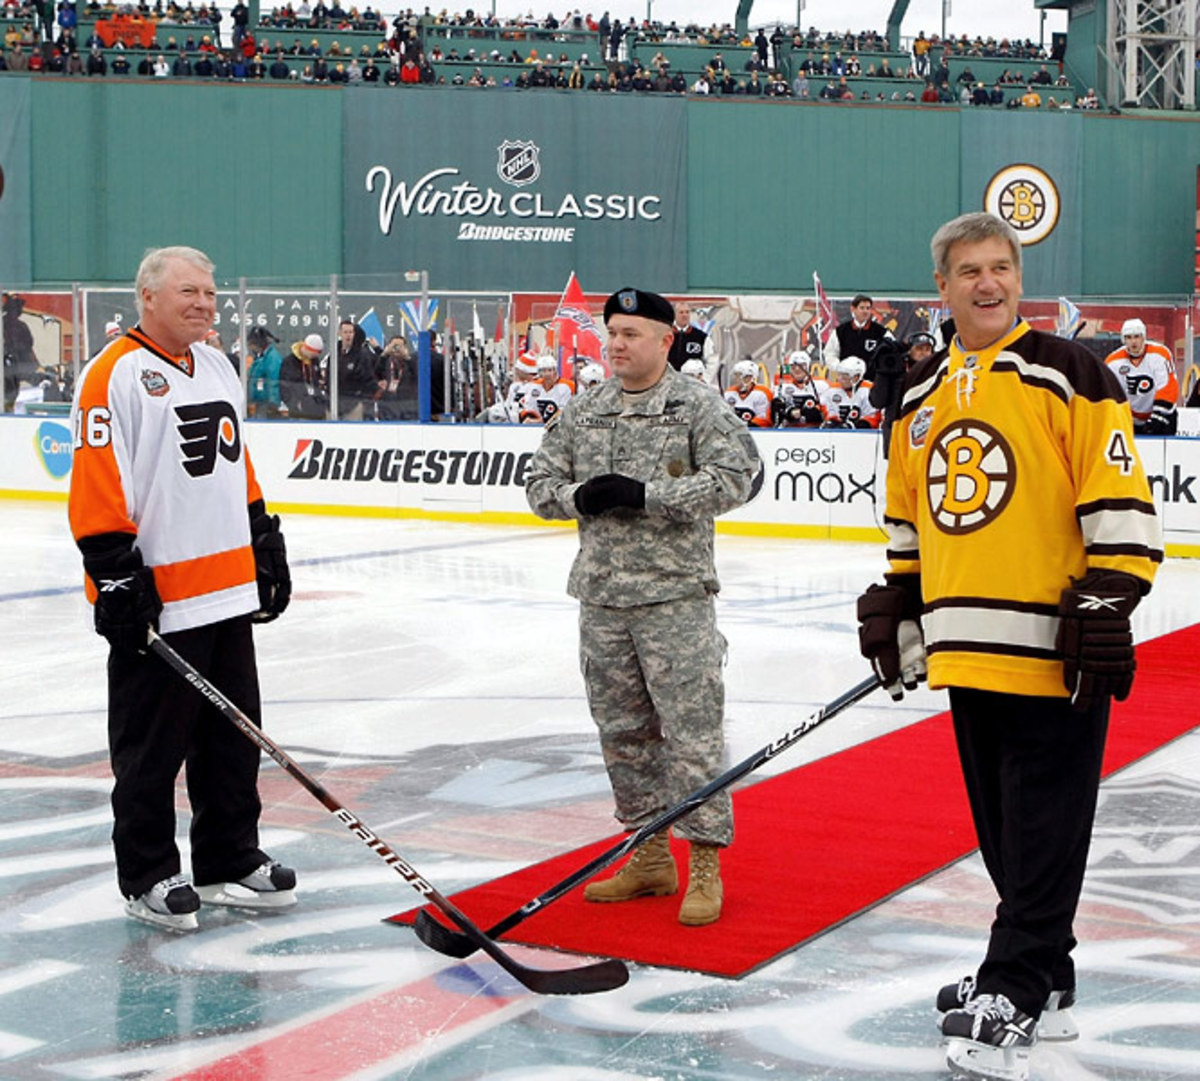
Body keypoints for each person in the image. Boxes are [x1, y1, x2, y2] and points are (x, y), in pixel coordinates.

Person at [856, 213, 1162, 1081]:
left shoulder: (1071, 373)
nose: (987, 283)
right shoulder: (916, 395)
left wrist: (1108, 596)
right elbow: (909, 518)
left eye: (1001, 268)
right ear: (942, 290)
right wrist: (901, 601)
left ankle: (1017, 983)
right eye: (969, 271)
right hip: (963, 648)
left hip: (1053, 647)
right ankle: (1048, 981)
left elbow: (1122, 506)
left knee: (1045, 826)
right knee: (1005, 831)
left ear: (1018, 280)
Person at [67, 246, 296, 933]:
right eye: (188, 292)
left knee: (233, 740)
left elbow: (236, 464)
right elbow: (98, 482)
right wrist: (113, 571)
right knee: (151, 747)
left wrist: (263, 538)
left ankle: (228, 857)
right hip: (160, 599)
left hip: (225, 591)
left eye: (210, 292)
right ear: (148, 297)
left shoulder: (219, 363)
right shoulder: (114, 375)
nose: (203, 303)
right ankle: (146, 872)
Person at [525, 287, 760, 928]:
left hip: (675, 599)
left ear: (665, 338)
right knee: (624, 737)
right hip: (602, 600)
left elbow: (740, 478)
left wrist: (649, 495)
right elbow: (538, 489)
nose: (619, 344)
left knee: (692, 736)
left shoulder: (695, 406)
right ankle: (650, 853)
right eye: (613, 333)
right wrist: (582, 496)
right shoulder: (585, 410)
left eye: (632, 333)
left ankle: (706, 863)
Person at [1104, 317, 1179, 435]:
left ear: (1144, 337)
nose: (1133, 342)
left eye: (1137, 336)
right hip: (1130, 418)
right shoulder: (1113, 362)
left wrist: (1158, 415)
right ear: (1123, 340)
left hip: (1162, 415)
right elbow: (1109, 393)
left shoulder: (1160, 355)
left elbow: (1168, 388)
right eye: (1128, 337)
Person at [825, 293, 895, 379]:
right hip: (847, 381)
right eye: (862, 308)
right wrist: (839, 368)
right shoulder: (841, 331)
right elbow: (830, 353)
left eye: (868, 308)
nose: (865, 311)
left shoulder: (881, 332)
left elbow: (894, 349)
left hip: (872, 381)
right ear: (853, 309)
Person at [279, 332, 328, 419]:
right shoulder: (289, 362)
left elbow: (316, 381)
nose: (315, 356)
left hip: (316, 408)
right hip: (298, 409)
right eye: (314, 353)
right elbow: (284, 386)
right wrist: (294, 404)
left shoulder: (314, 361)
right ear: (308, 348)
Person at [771, 349, 826, 427]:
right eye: (793, 366)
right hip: (790, 431)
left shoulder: (821, 386)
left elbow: (826, 413)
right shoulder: (782, 388)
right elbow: (775, 417)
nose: (797, 369)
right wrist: (788, 412)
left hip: (815, 431)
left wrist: (809, 411)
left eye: (801, 366)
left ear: (808, 367)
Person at [819, 356, 877, 428]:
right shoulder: (832, 390)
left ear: (856, 377)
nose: (839, 380)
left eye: (844, 377)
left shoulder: (869, 390)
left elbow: (873, 418)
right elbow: (824, 408)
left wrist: (855, 425)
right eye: (839, 375)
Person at [246, 325, 284, 418]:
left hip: (267, 404)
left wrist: (273, 404)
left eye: (252, 344)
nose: (251, 347)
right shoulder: (261, 357)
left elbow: (274, 380)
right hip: (258, 402)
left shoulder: (272, 358)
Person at [723, 359, 772, 427]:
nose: (735, 378)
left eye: (738, 375)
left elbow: (764, 419)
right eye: (735, 375)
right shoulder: (729, 393)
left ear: (748, 378)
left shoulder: (763, 393)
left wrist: (744, 426)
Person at [667, 299, 710, 372]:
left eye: (687, 312)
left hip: (692, 380)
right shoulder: (666, 334)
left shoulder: (701, 337)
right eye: (681, 312)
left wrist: (705, 378)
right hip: (669, 378)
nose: (685, 315)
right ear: (674, 315)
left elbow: (711, 360)